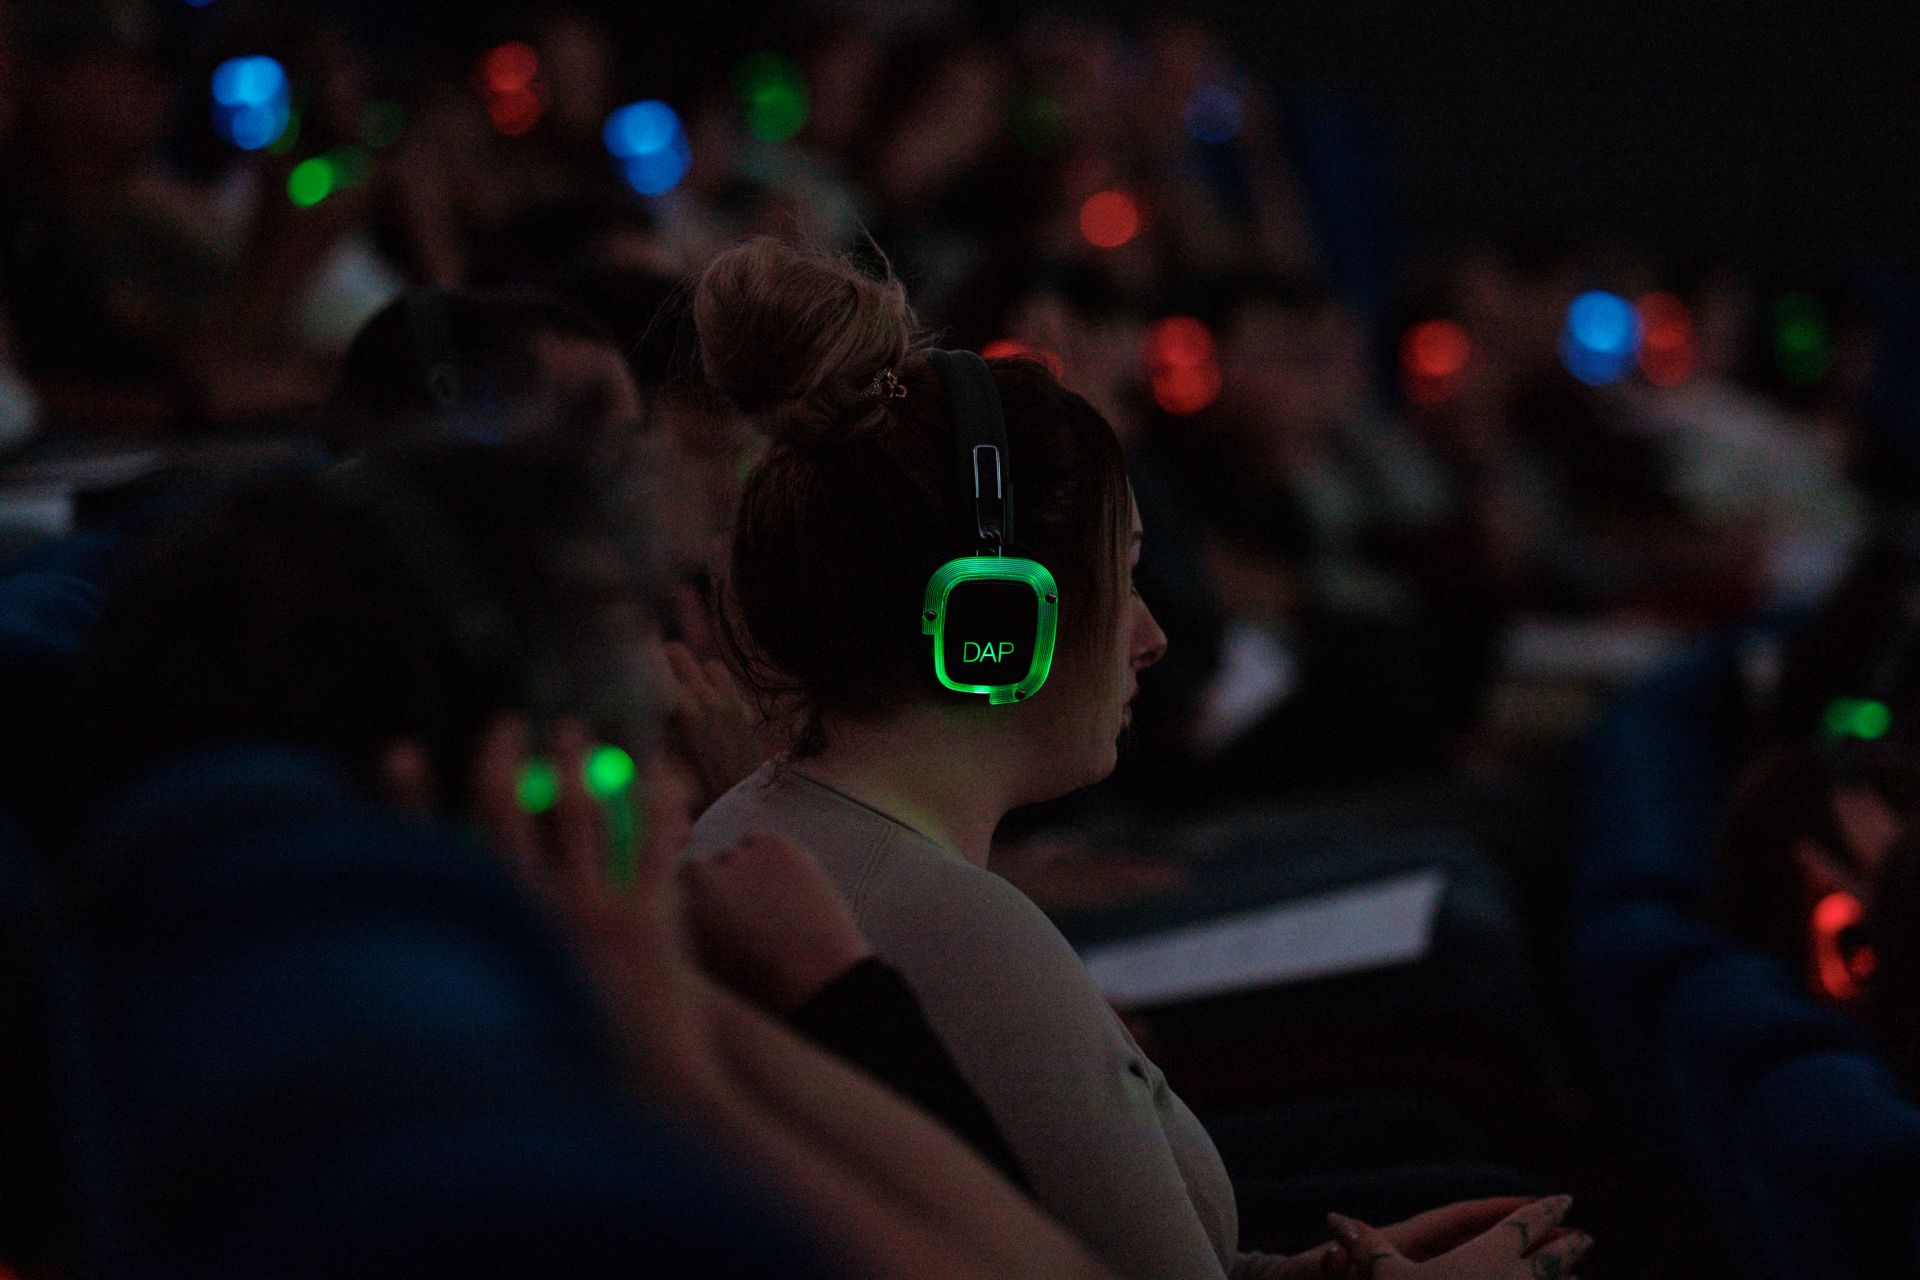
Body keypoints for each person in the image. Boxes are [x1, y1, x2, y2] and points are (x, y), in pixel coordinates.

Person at [684, 236, 1592, 1280]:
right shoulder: (959, 932)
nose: (1152, 638)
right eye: (1124, 581)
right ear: (996, 620)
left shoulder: (802, 834)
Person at [71, 444, 1118, 1280]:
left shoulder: (167, 979)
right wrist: (684, 1068)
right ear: (517, 784)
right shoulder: (486, 1161)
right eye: (634, 753)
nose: (673, 798)